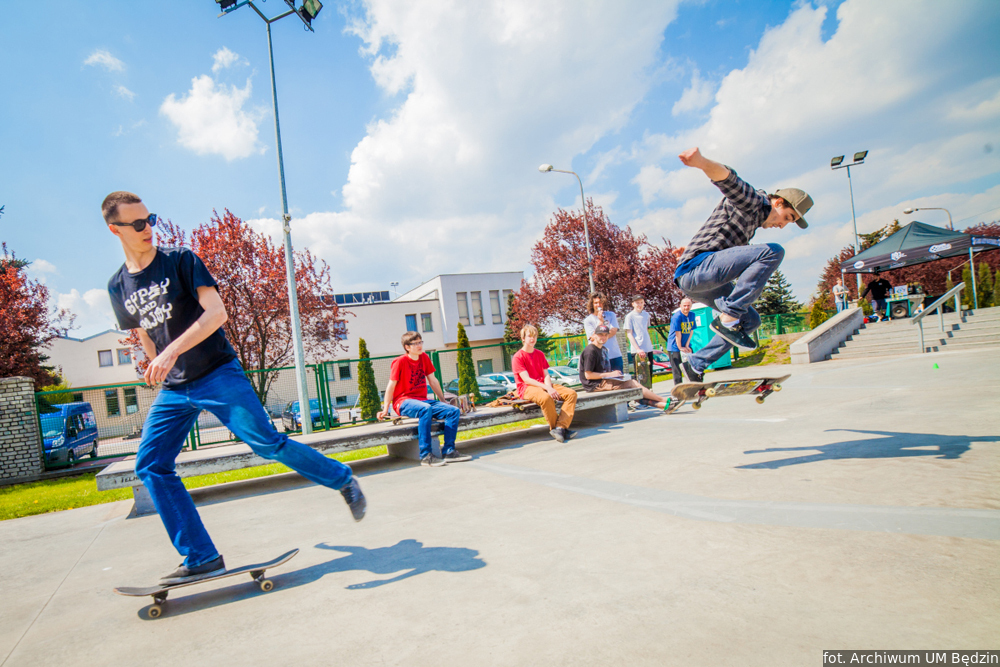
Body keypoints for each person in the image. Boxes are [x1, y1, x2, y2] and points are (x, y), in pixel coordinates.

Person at [102, 191, 366, 586]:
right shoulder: (117, 286)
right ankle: (202, 557)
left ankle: (342, 478)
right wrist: (156, 363)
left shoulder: (180, 260)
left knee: (267, 443)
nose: (148, 228)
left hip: (217, 373)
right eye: (138, 223)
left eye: (150, 219)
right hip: (174, 389)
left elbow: (217, 313)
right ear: (115, 229)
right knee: (151, 465)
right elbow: (143, 332)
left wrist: (170, 352)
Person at [671, 147, 813, 383]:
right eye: (787, 217)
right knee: (773, 252)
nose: (783, 225)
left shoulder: (751, 226)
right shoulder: (754, 201)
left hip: (702, 279)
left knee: (751, 320)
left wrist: (688, 249)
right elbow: (728, 179)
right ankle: (729, 317)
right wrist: (701, 161)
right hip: (696, 270)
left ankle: (696, 364)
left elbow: (723, 248)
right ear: (778, 202)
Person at [377, 331, 471, 467]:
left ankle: (449, 451)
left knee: (453, 411)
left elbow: (433, 381)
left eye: (420, 342)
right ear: (407, 347)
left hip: (422, 400)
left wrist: (443, 400)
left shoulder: (424, 358)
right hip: (403, 402)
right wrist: (386, 409)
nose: (419, 345)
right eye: (415, 343)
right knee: (425, 409)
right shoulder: (399, 361)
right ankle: (426, 455)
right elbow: (391, 386)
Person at [579, 325, 674, 409]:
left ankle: (661, 405)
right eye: (600, 335)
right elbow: (588, 375)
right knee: (633, 383)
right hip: (594, 385)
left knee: (632, 389)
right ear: (594, 335)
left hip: (602, 381)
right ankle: (663, 400)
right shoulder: (590, 351)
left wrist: (615, 376)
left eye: (605, 335)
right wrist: (610, 374)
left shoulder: (603, 349)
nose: (603, 337)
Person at [512, 324, 578, 443]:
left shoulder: (540, 354)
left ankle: (560, 427)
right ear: (523, 338)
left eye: (534, 336)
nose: (532, 339)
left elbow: (546, 374)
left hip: (543, 384)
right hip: (527, 388)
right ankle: (556, 428)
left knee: (571, 394)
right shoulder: (518, 357)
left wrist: (549, 387)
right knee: (546, 398)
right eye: (529, 336)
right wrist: (547, 389)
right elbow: (526, 379)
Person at [583, 292, 624, 373]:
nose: (598, 305)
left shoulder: (611, 315)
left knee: (619, 378)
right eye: (596, 303)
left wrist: (600, 336)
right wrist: (601, 322)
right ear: (592, 304)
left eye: (600, 302)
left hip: (614, 355)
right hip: (599, 357)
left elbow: (613, 331)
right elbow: (592, 339)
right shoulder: (588, 320)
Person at [667, 298, 696, 385]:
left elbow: (691, 330)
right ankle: (678, 388)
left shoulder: (692, 315)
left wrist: (687, 345)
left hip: (685, 345)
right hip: (675, 347)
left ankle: (693, 386)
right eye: (684, 306)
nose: (686, 307)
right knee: (677, 370)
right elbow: (678, 334)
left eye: (688, 305)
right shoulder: (677, 317)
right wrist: (680, 347)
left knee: (691, 368)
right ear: (680, 306)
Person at [623, 294, 653, 370]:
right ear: (633, 304)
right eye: (637, 303)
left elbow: (646, 329)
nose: (639, 305)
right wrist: (638, 349)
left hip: (648, 348)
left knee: (649, 373)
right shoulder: (629, 316)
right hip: (637, 350)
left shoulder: (646, 315)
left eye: (641, 302)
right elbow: (629, 334)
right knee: (640, 373)